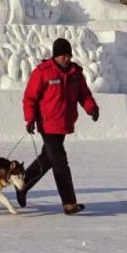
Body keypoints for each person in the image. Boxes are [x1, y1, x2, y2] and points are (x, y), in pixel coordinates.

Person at [18, 37, 100, 215]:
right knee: (60, 161)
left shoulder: (75, 73)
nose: (67, 59)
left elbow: (84, 94)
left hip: (64, 124)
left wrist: (92, 108)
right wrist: (30, 118)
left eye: (69, 55)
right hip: (47, 124)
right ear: (55, 56)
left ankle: (22, 185)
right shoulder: (43, 72)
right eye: (63, 55)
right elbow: (30, 97)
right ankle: (69, 203)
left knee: (47, 159)